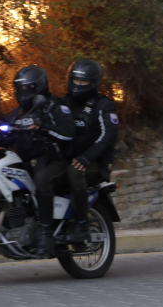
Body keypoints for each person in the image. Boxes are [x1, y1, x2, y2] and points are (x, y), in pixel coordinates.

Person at [7, 65, 75, 256]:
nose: (21, 93)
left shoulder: (55, 106)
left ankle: (46, 233)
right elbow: (7, 132)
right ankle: (10, 230)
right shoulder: (18, 113)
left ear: (37, 87)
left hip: (57, 161)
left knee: (42, 178)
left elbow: (68, 133)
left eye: (25, 88)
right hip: (29, 162)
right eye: (18, 88)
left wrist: (44, 127)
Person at [62, 59, 118, 242]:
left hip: (95, 163)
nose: (78, 85)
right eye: (76, 80)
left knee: (74, 171)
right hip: (71, 157)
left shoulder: (103, 105)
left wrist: (87, 157)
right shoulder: (64, 103)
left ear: (93, 82)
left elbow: (108, 135)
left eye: (83, 82)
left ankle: (82, 224)